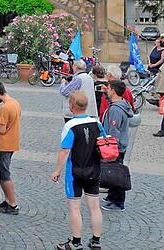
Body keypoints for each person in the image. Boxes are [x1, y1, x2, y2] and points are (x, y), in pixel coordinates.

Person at [51, 91, 103, 250]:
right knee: (95, 206)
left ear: (72, 106)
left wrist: (57, 170)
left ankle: (75, 242)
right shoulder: (97, 123)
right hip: (94, 170)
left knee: (75, 207)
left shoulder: (70, 125)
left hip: (75, 172)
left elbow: (65, 151)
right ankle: (95, 241)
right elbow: (103, 143)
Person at [0, 81, 21, 215]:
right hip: (12, 142)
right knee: (3, 172)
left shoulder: (6, 108)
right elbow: (9, 120)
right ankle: (7, 200)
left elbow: (2, 128)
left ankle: (13, 204)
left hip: (4, 144)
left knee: (4, 174)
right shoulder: (14, 103)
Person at [101, 80, 133, 211]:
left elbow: (114, 130)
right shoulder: (120, 104)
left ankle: (118, 202)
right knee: (113, 171)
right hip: (119, 145)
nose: (107, 90)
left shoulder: (115, 110)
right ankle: (112, 196)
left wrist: (110, 147)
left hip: (116, 146)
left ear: (113, 91)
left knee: (116, 174)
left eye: (108, 89)